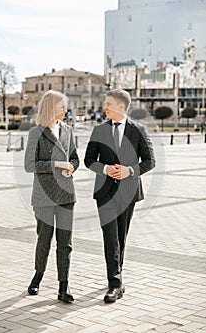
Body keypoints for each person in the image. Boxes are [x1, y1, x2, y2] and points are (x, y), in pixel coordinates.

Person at [84, 88, 155, 303]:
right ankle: (114, 284)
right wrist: (105, 169)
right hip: (105, 192)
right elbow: (88, 160)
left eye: (108, 104)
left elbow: (150, 161)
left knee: (120, 237)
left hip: (129, 191)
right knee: (110, 237)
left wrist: (129, 171)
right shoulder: (99, 130)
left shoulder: (138, 130)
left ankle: (118, 277)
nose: (104, 107)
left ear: (121, 107)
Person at [24, 90, 79, 303]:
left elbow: (75, 158)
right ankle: (38, 275)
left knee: (65, 243)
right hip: (44, 196)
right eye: (61, 106)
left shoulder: (68, 130)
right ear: (50, 108)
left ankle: (63, 287)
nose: (65, 110)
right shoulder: (35, 132)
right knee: (44, 239)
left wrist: (72, 168)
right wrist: (56, 164)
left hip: (66, 195)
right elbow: (29, 165)